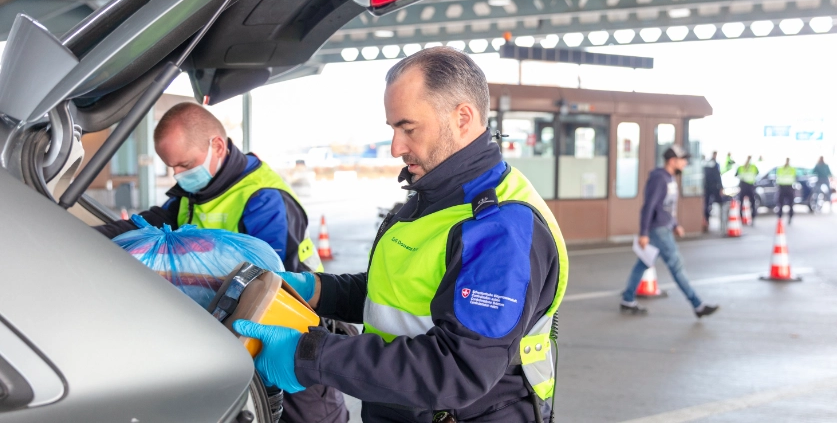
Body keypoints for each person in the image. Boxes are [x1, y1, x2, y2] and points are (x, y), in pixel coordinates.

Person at [234, 47, 568, 422]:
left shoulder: (500, 227)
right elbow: (399, 294)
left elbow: (457, 368)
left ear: (462, 118)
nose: (396, 147)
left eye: (408, 128)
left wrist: (309, 355)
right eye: (393, 129)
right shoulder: (434, 196)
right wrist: (317, 290)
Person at [93, 103, 347, 423]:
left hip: (289, 334)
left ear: (217, 145)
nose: (178, 175)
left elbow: (271, 283)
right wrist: (84, 236)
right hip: (229, 335)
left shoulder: (264, 198)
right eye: (172, 167)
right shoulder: (194, 193)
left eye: (184, 164)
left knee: (306, 416)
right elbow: (151, 225)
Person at [620, 144, 719, 318]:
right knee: (676, 266)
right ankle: (697, 305)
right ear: (672, 161)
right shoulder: (659, 178)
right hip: (658, 230)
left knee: (643, 263)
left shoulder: (670, 178)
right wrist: (643, 232)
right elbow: (649, 206)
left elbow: (666, 207)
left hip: (664, 227)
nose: (685, 164)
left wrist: (674, 224)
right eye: (682, 160)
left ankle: (627, 299)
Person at [702, 151, 724, 232]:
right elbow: (718, 176)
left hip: (709, 187)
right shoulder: (713, 164)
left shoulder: (707, 164)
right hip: (713, 187)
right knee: (716, 203)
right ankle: (708, 221)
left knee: (707, 204)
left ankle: (707, 221)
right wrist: (721, 187)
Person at [736, 155, 759, 225]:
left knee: (752, 202)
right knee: (741, 203)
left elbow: (757, 173)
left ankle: (753, 217)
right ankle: (741, 218)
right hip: (744, 186)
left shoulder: (753, 167)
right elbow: (736, 175)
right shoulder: (740, 167)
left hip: (750, 186)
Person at [776, 158, 797, 225]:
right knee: (781, 204)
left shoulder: (792, 169)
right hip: (782, 188)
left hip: (789, 187)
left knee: (790, 205)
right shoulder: (781, 169)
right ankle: (780, 218)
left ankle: (789, 218)